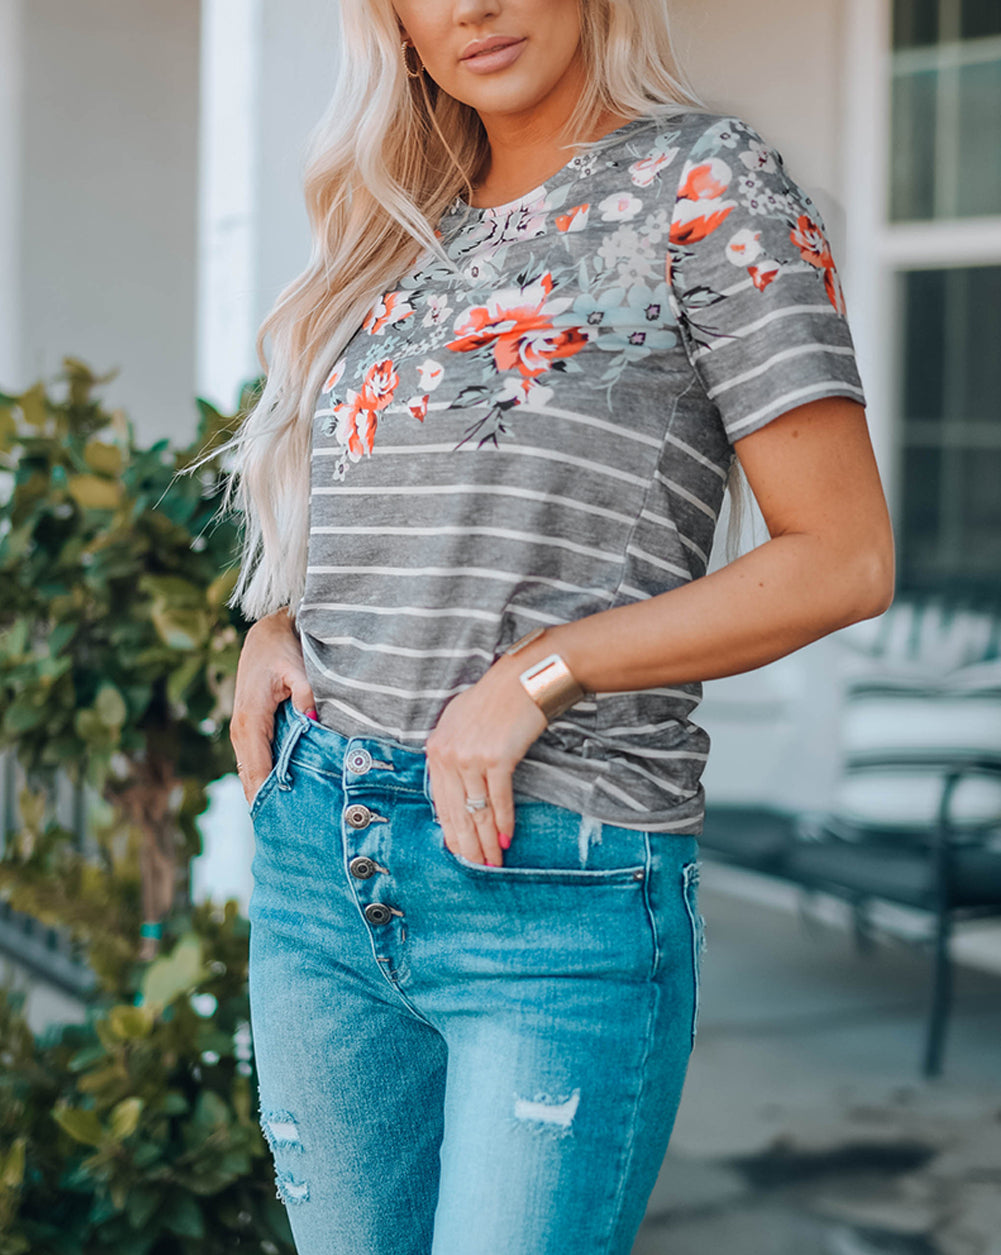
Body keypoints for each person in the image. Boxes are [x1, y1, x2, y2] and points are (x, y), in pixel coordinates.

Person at [218, 1, 895, 1251]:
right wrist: (275, 616)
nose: (470, 5)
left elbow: (842, 558)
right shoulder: (396, 224)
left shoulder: (703, 181)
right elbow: (404, 505)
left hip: (552, 876)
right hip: (321, 857)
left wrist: (542, 673)